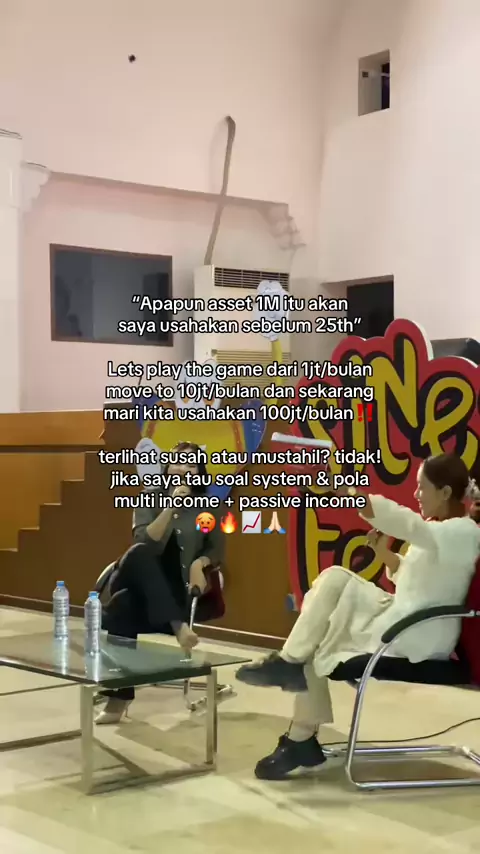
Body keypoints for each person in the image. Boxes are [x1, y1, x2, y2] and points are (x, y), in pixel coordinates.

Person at [236, 453, 480, 780]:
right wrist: (384, 555)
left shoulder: (462, 533)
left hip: (418, 633)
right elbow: (414, 578)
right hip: (403, 618)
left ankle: (294, 699)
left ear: (445, 492)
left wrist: (344, 489)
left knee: (328, 601)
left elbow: (406, 523)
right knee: (322, 617)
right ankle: (298, 727)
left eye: (422, 487)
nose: (416, 494)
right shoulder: (441, 531)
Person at [94, 441, 223, 724]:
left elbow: (216, 550)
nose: (183, 469)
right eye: (178, 462)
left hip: (170, 594)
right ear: (167, 467)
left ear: (199, 472)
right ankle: (178, 626)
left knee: (121, 606)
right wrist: (171, 507)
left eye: (191, 464)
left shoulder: (207, 507)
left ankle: (119, 697)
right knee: (140, 552)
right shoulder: (149, 498)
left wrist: (200, 563)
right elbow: (144, 541)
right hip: (136, 577)